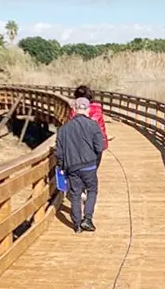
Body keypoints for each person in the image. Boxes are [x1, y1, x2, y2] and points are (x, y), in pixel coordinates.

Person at [56, 97, 105, 233]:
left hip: (72, 167)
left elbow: (59, 152)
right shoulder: (93, 125)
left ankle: (77, 225)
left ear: (74, 109)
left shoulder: (63, 129)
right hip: (89, 165)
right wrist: (94, 160)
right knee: (92, 191)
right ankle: (87, 219)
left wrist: (61, 167)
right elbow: (100, 147)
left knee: (75, 194)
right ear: (88, 109)